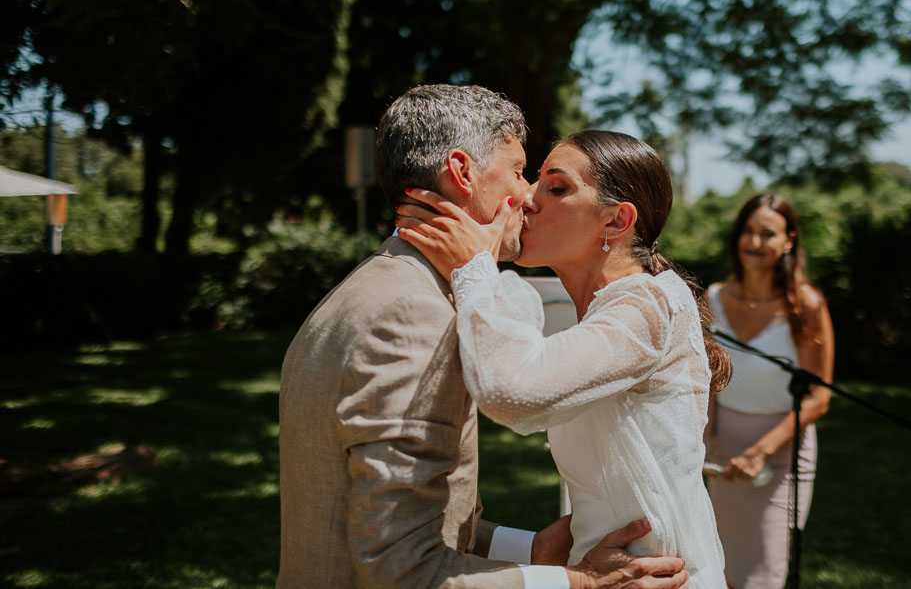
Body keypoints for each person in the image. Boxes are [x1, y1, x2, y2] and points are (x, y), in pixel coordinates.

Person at [277, 86, 690, 589]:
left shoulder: (371, 286)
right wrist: (580, 583)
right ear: (462, 172)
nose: (528, 196)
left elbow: (409, 512)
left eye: (550, 186)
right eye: (520, 172)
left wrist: (531, 550)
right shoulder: (413, 314)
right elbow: (401, 567)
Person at [396, 129, 732, 589]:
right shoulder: (609, 308)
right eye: (534, 180)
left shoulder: (646, 307)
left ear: (616, 222)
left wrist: (473, 267)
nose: (527, 199)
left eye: (557, 188)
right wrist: (543, 548)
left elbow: (512, 393)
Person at [703, 193, 835, 589]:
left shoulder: (806, 305)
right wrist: (705, 440)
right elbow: (710, 379)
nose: (755, 243)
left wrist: (761, 452)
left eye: (767, 234)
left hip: (780, 457)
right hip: (722, 452)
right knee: (718, 567)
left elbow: (819, 398)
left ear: (789, 241)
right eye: (748, 231)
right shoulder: (713, 298)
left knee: (764, 574)